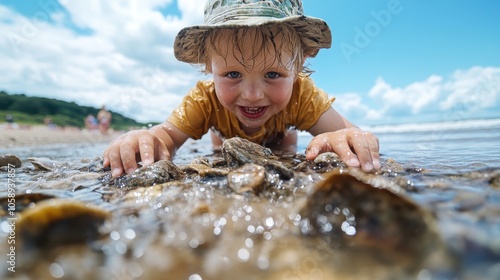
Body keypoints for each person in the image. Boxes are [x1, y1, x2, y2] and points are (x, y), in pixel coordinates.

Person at [104, 0, 380, 178]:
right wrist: (147, 140)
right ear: (208, 67)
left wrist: (338, 140)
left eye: (272, 74)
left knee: (285, 151)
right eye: (232, 74)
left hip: (279, 140)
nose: (252, 94)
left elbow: (350, 133)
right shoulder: (205, 98)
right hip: (224, 140)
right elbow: (165, 138)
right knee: (218, 150)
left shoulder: (302, 94)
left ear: (298, 68)